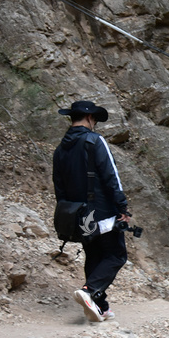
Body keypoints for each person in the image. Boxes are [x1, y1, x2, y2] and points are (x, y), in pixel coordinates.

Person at [53, 100, 132, 323]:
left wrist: (67, 211)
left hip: (77, 213)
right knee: (116, 255)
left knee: (95, 255)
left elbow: (59, 185)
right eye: (95, 119)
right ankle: (90, 291)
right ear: (89, 118)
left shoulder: (61, 149)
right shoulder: (94, 141)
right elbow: (110, 175)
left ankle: (99, 306)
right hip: (101, 211)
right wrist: (122, 207)